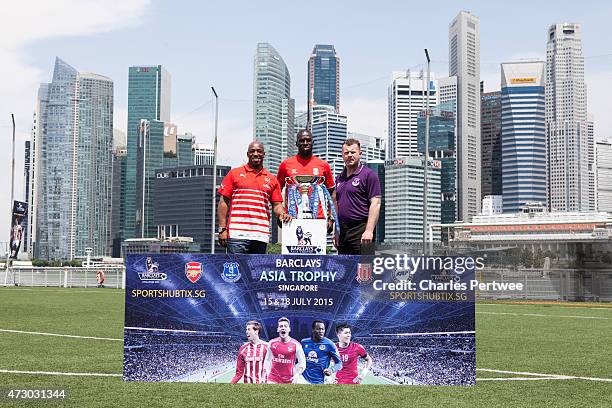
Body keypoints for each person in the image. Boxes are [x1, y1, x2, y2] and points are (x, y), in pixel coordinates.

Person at [217, 141, 291, 254]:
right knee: (237, 270)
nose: (256, 154)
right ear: (247, 154)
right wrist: (222, 229)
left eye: (259, 151)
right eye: (252, 151)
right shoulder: (234, 173)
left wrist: (282, 214)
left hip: (260, 236)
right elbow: (223, 202)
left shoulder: (271, 179)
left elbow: (277, 205)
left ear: (264, 154)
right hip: (237, 236)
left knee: (256, 271)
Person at [277, 129, 336, 223]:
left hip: (318, 219)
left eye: (308, 140)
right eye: (301, 140)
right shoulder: (285, 164)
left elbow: (332, 192)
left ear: (313, 142)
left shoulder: (323, 165)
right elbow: (277, 191)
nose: (305, 143)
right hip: (292, 219)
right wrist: (281, 212)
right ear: (296, 143)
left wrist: (330, 215)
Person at [335, 138, 381, 255]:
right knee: (345, 270)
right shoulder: (339, 178)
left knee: (364, 270)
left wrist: (369, 231)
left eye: (353, 152)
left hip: (361, 229)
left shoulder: (369, 175)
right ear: (342, 156)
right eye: (346, 153)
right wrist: (336, 231)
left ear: (360, 154)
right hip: (343, 231)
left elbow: (376, 203)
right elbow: (337, 206)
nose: (349, 155)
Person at [265, 317, 306, 384]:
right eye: (281, 326)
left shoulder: (296, 345)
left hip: (289, 380)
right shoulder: (271, 343)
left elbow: (302, 363)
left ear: (289, 329)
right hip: (273, 379)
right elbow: (267, 360)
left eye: (285, 326)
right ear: (278, 329)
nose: (283, 328)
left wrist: (296, 374)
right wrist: (265, 373)